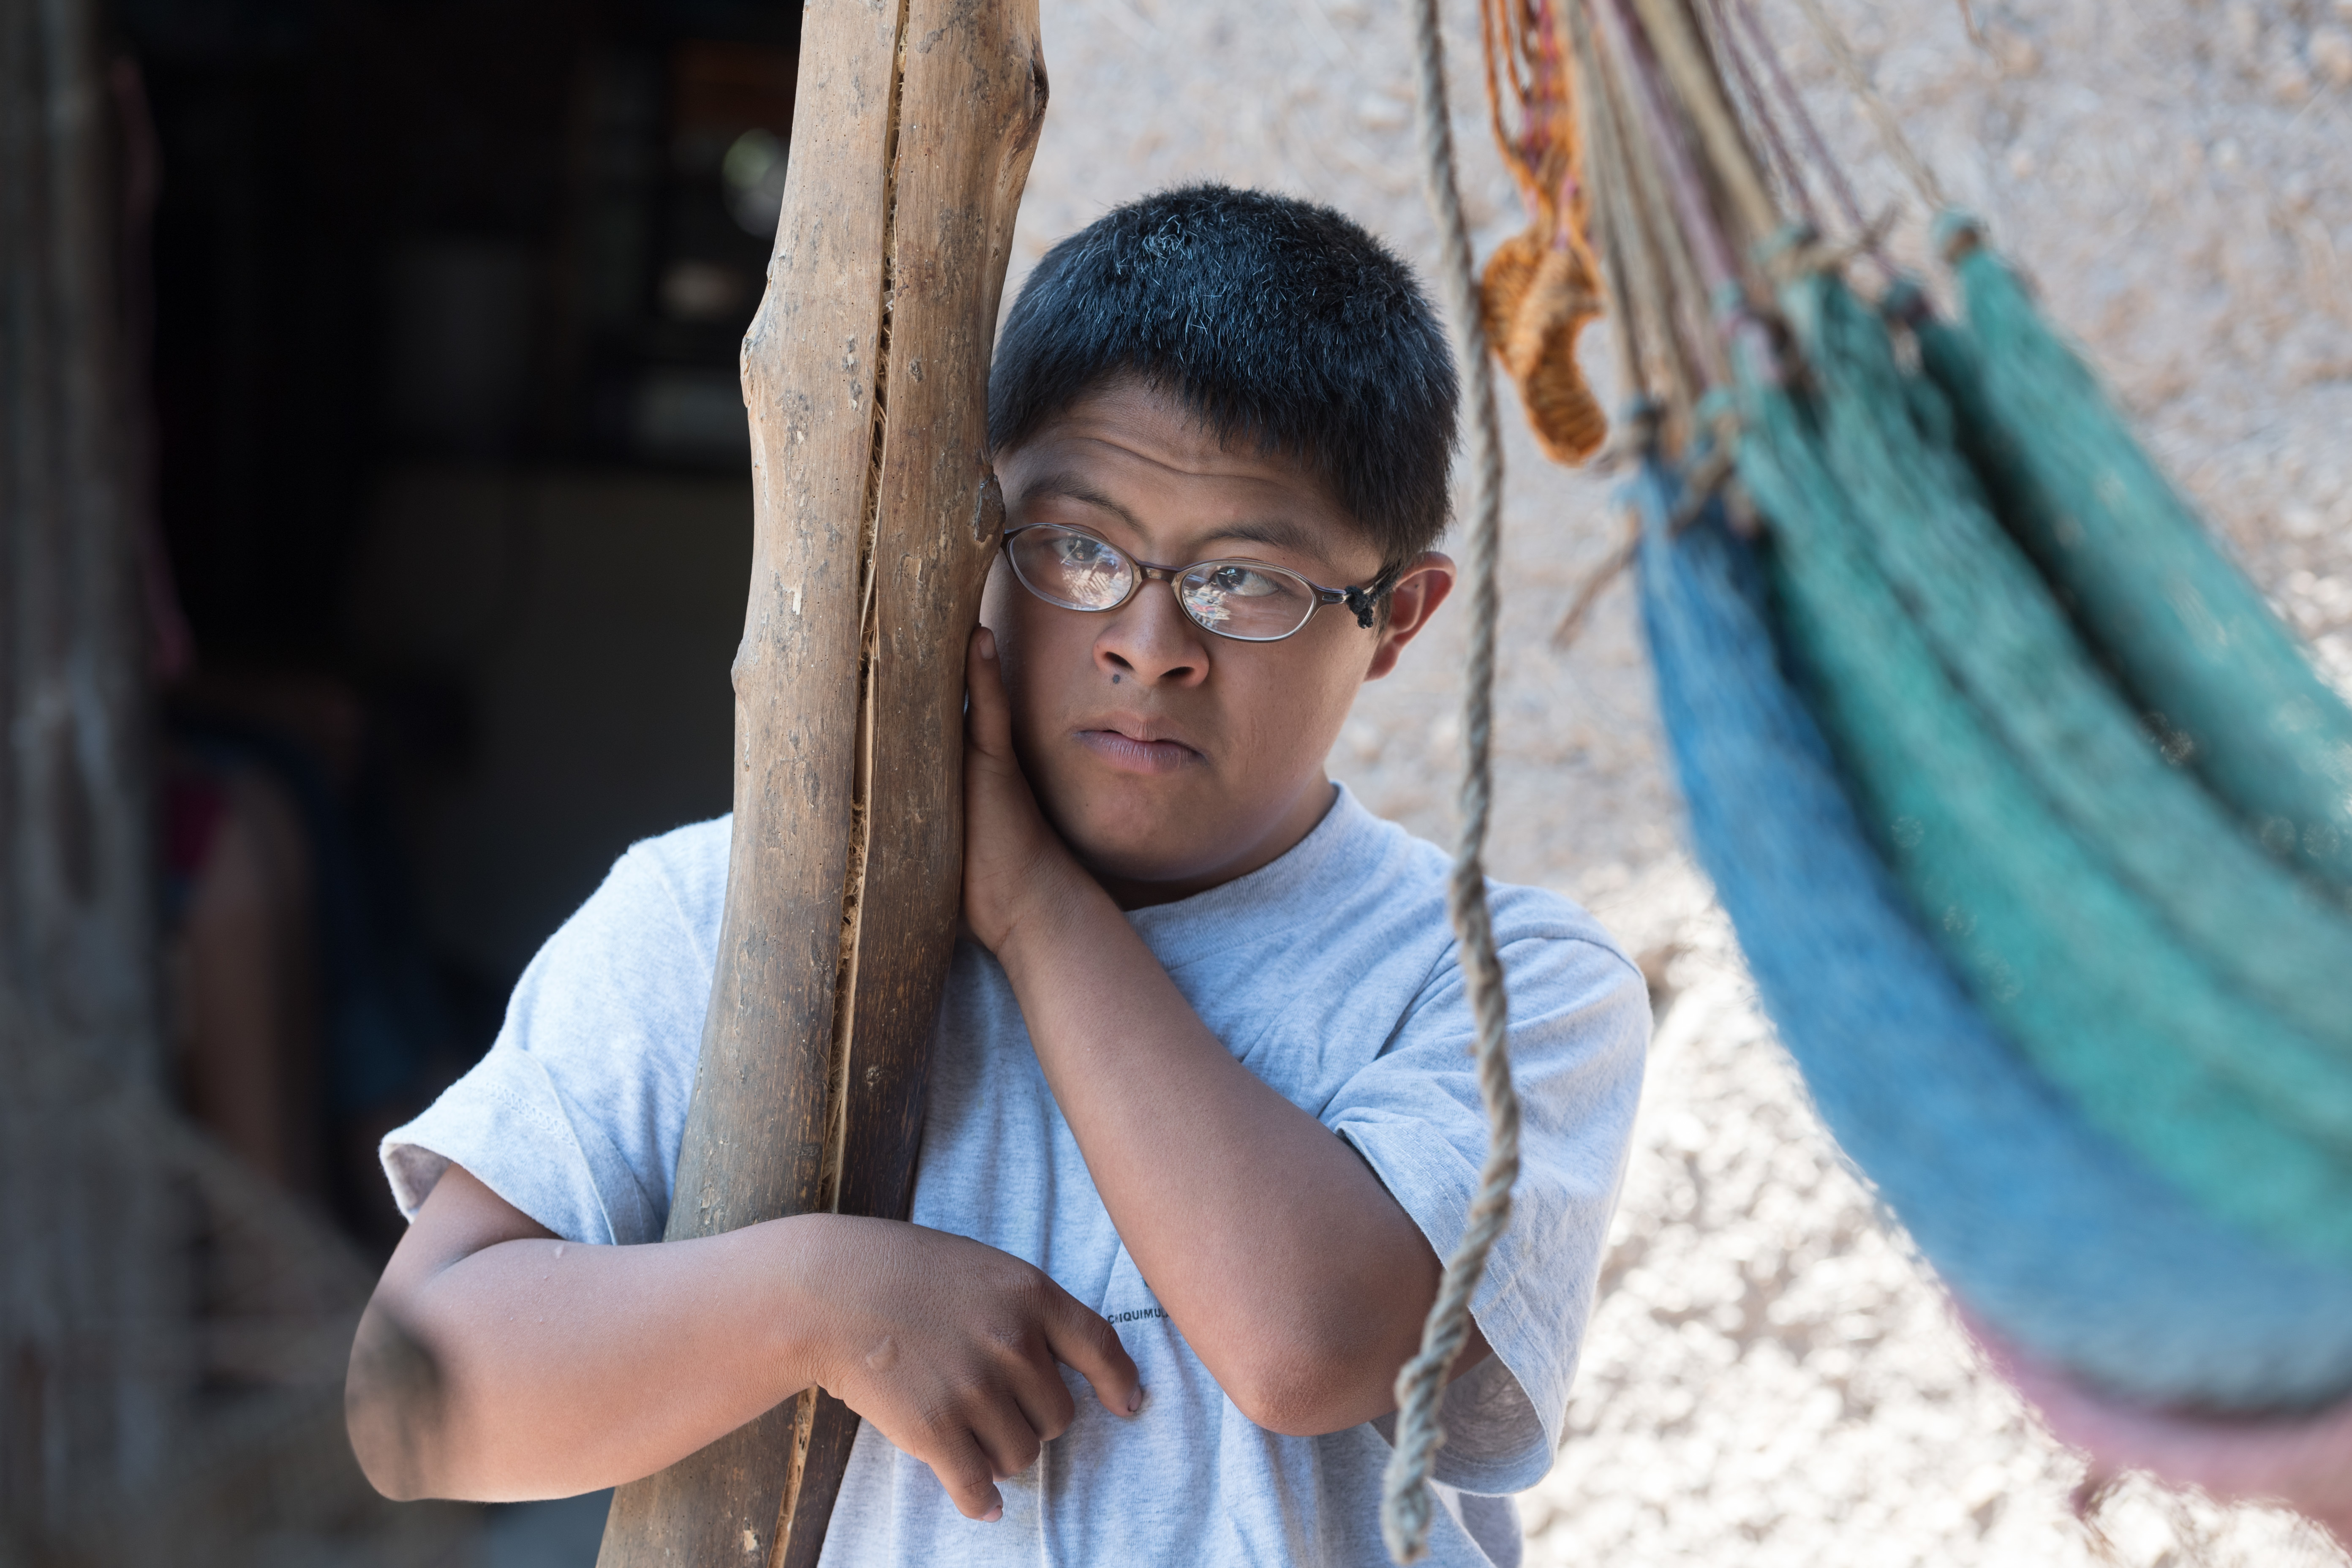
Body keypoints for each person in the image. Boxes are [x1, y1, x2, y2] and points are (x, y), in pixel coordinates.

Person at [345, 183, 1647, 1568]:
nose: (1149, 645)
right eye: (1078, 550)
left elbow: (1301, 1344)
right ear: (976, 533)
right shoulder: (728, 912)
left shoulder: (1503, 984)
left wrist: (1033, 909)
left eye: (1244, 581)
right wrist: (818, 1296)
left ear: (1396, 619)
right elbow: (412, 1406)